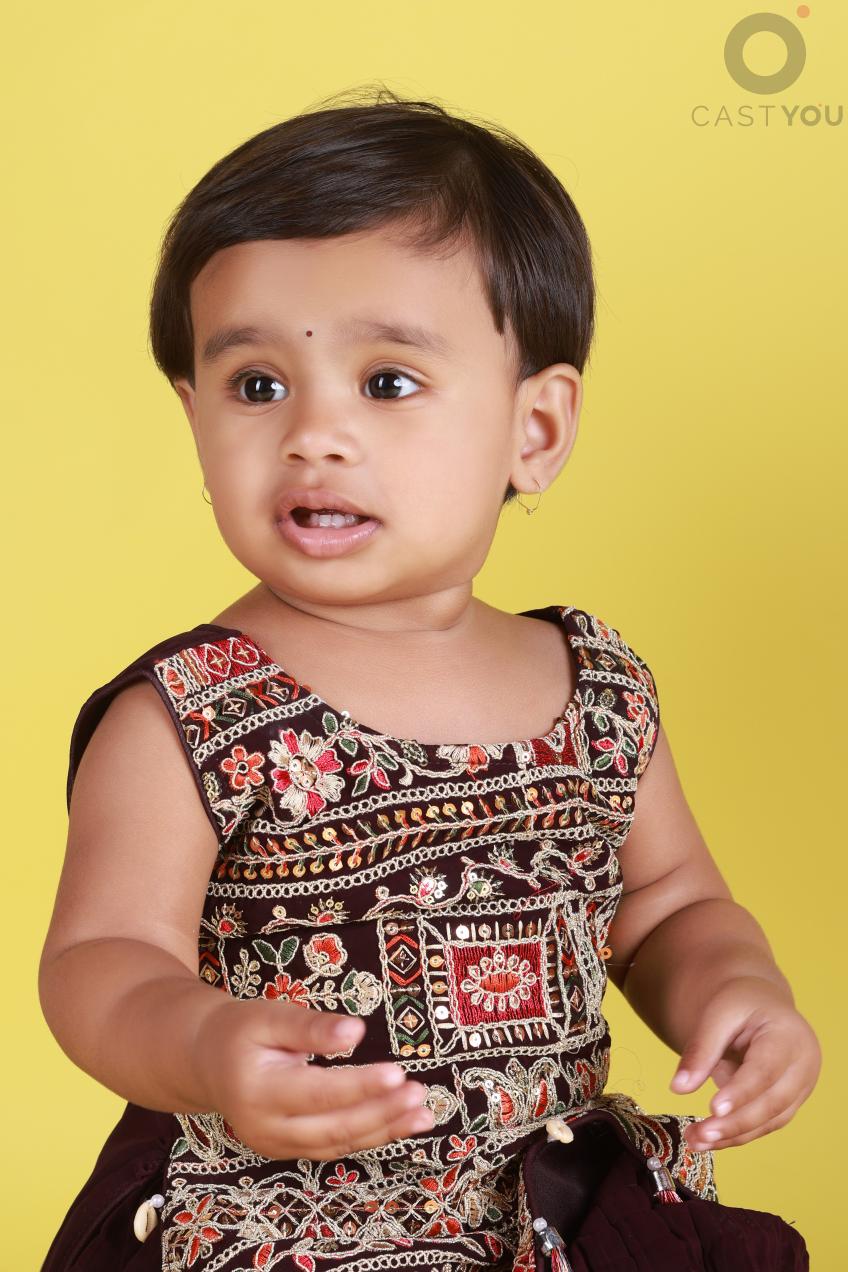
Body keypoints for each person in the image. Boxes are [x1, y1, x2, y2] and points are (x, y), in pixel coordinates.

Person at [39, 87, 820, 1271]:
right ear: (193, 420)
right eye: (256, 386)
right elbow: (99, 961)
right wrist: (201, 1045)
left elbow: (664, 906)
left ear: (533, 430)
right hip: (284, 1231)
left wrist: (735, 989)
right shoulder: (192, 715)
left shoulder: (599, 694)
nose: (312, 434)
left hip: (552, 1228)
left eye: (388, 382)